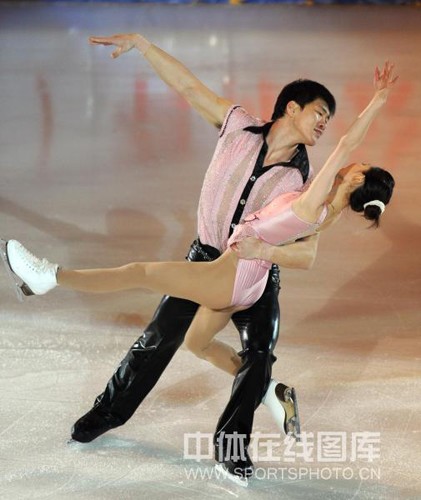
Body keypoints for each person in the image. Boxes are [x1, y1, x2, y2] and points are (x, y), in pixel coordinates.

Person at [2, 60, 396, 482]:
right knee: (188, 341)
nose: (325, 125)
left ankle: (49, 277)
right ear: (292, 108)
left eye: (330, 121)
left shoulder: (309, 186)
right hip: (221, 263)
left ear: (354, 177)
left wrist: (379, 100)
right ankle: (265, 392)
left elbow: (311, 244)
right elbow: (191, 89)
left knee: (149, 279)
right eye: (320, 113)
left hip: (246, 273)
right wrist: (143, 47)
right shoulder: (257, 143)